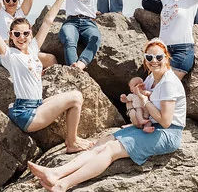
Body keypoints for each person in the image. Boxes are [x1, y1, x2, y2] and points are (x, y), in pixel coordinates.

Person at [28, 38, 186, 192]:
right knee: (101, 143)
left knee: (111, 149)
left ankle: (63, 185)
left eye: (159, 57)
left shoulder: (168, 83)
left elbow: (165, 122)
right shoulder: (151, 78)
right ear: (145, 59)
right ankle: (56, 173)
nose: (154, 61)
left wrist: (144, 100)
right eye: (149, 57)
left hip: (168, 133)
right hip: (150, 126)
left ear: (166, 57)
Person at [0, 0, 93, 153]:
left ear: (31, 34)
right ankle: (72, 142)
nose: (22, 37)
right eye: (17, 34)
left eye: (25, 33)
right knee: (75, 97)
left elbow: (47, 21)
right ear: (11, 36)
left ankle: (72, 138)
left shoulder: (34, 48)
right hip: (26, 114)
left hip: (37, 105)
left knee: (74, 97)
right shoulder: (10, 55)